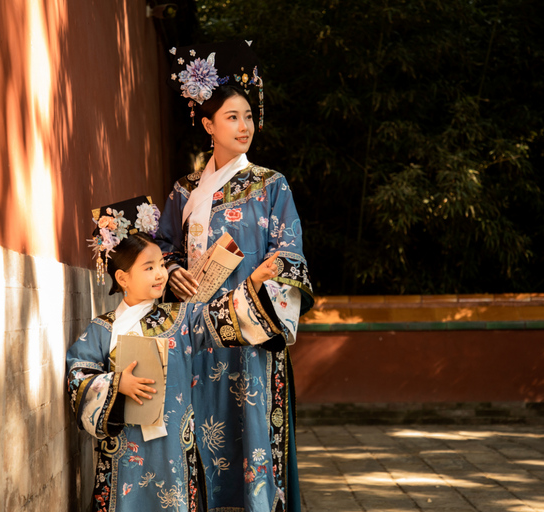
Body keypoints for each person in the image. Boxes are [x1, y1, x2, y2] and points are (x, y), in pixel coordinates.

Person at [158, 42, 314, 511]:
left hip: (248, 337)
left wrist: (270, 273)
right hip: (192, 337)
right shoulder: (184, 191)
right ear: (208, 125)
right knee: (194, 439)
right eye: (232, 117)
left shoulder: (272, 185)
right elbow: (163, 249)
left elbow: (291, 256)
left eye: (248, 116)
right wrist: (172, 273)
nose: (244, 126)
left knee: (250, 438)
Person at [66, 196, 286, 512]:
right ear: (123, 278)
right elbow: (78, 372)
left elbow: (219, 316)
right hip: (124, 454)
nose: (160, 274)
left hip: (173, 451)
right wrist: (116, 385)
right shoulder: (102, 329)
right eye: (149, 267)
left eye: (160, 265)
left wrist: (252, 282)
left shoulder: (181, 319)